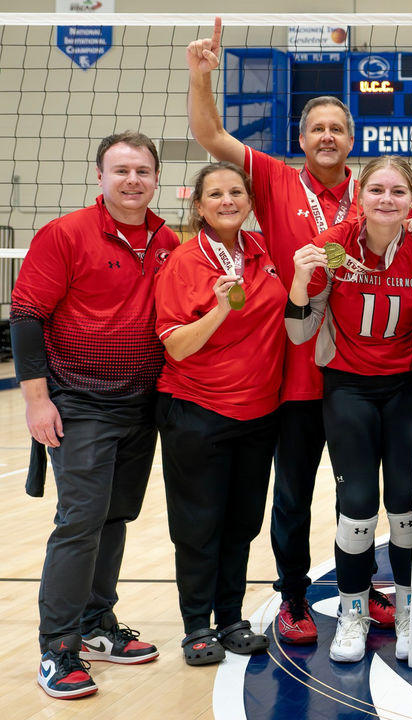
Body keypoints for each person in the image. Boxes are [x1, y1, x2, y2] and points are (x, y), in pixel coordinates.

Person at [186, 17, 398, 641]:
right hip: (299, 369)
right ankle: (294, 598)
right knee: (294, 496)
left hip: (364, 371)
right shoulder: (275, 178)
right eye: (317, 128)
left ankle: (362, 587)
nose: (327, 136)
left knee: (362, 494)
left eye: (338, 128)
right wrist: (203, 77)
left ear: (352, 138)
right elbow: (211, 135)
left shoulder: (377, 192)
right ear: (300, 138)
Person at [13, 131, 176, 699]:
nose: (132, 180)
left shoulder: (168, 240)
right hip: (80, 401)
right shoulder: (65, 234)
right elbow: (27, 317)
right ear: (100, 177)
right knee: (80, 520)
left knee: (115, 516)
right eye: (120, 170)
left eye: (142, 171)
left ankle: (93, 624)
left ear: (156, 179)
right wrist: (37, 400)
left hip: (142, 403)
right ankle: (57, 649)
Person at [286, 156, 412, 663]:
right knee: (357, 512)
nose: (387, 200)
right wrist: (299, 283)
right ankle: (353, 613)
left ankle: (410, 610)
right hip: (348, 388)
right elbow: (300, 332)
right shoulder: (333, 244)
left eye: (398, 191)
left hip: (406, 390)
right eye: (377, 190)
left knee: (406, 509)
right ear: (360, 196)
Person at [154, 162, 285, 666]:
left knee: (242, 523)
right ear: (199, 205)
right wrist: (219, 310)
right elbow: (177, 349)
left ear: (249, 201)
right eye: (216, 194)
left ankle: (230, 617)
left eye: (236, 192)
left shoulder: (262, 252)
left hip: (259, 412)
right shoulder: (184, 262)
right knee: (198, 524)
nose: (228, 200)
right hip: (197, 410)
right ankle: (195, 627)